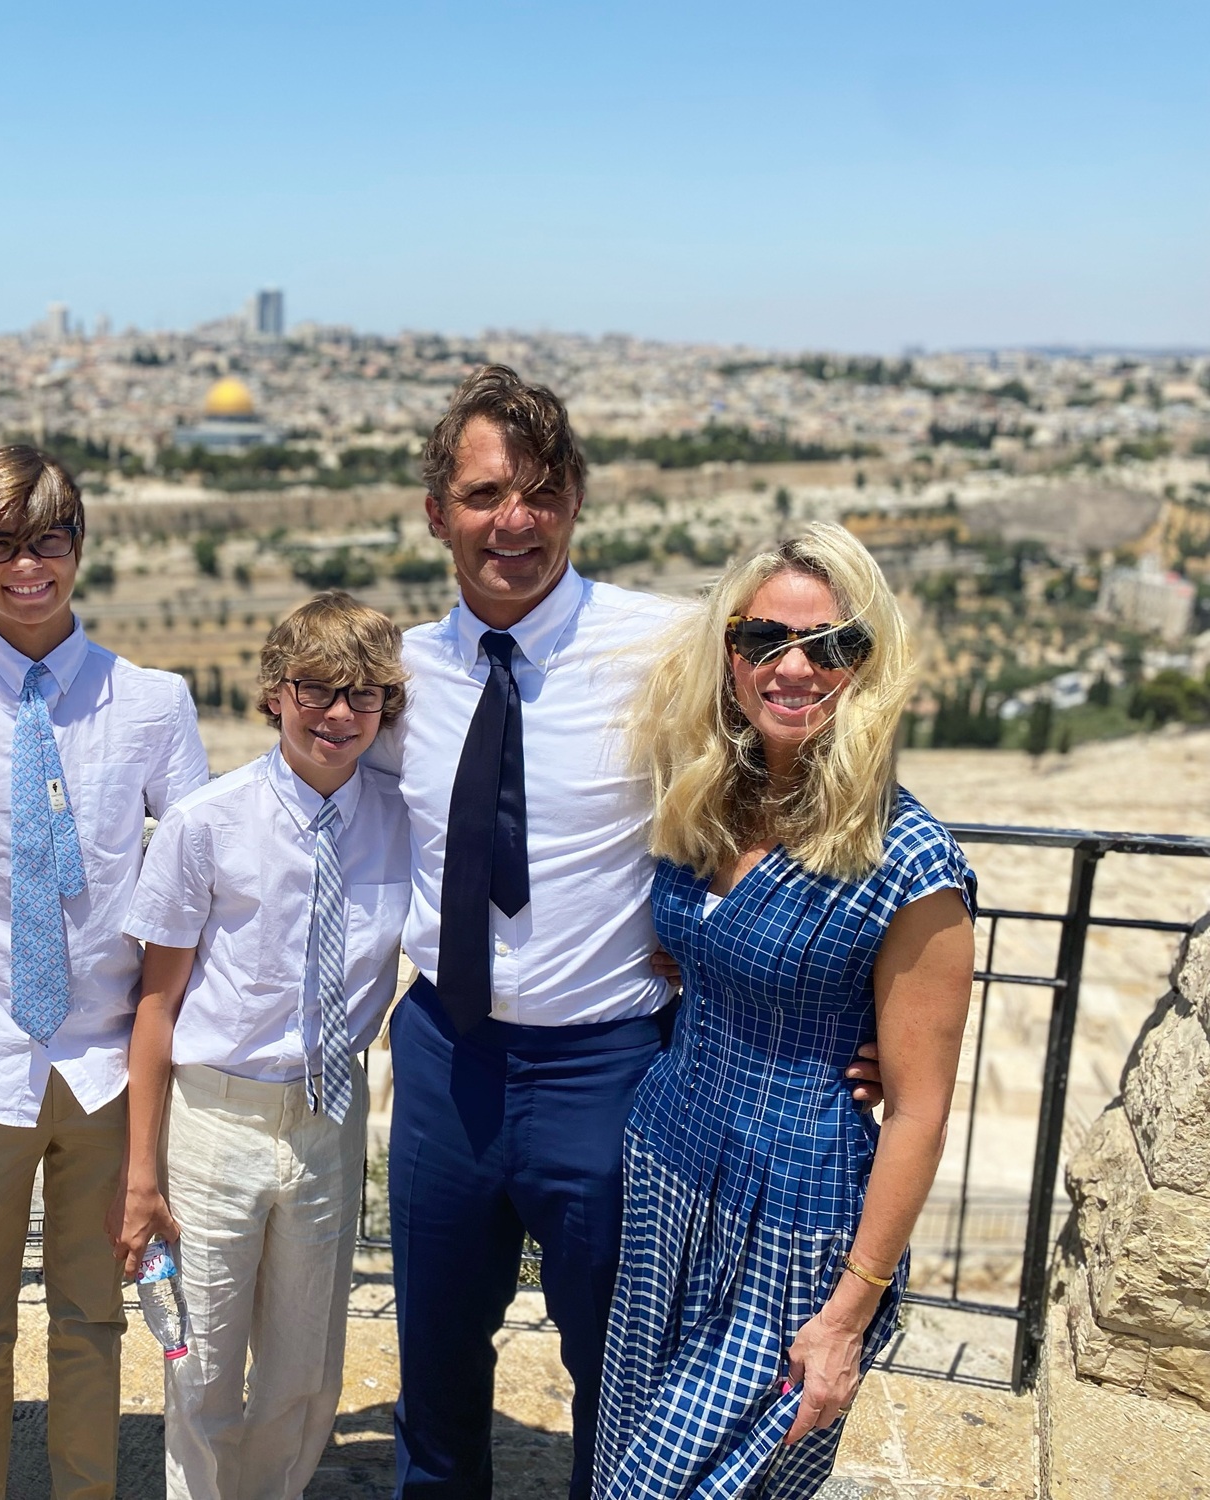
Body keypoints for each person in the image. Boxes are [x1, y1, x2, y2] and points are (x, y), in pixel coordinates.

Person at [368, 366, 885, 1500]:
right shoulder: (396, 673)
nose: (515, 521)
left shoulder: (667, 645)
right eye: (485, 494)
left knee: (618, 1375)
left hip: (608, 1068)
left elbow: (815, 761)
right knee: (433, 1369)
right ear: (436, 513)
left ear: (576, 503)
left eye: (543, 492)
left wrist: (864, 1010)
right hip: (446, 1058)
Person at [593, 526, 975, 1499]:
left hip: (793, 1224)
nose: (792, 667)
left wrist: (847, 1317)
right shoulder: (708, 797)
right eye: (763, 638)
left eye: (829, 644)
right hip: (666, 1173)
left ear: (868, 661)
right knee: (622, 1456)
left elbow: (921, 1112)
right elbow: (697, 949)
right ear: (728, 654)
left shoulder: (908, 861)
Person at [0, 445, 209, 1500]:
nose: (27, 567)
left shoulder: (152, 703)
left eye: (48, 539)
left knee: (92, 1319)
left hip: (105, 1066)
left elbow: (190, 890)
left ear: (80, 545)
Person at [115, 593, 413, 1500]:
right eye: (315, 689)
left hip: (328, 1119)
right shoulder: (208, 822)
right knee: (200, 1365)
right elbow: (156, 1006)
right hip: (217, 1120)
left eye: (363, 694)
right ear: (275, 693)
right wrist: (141, 1177)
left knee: (304, 1370)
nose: (338, 714)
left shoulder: (405, 819)